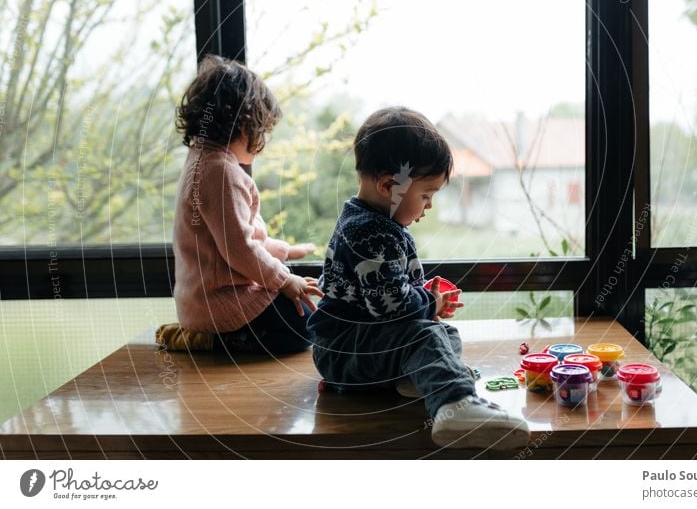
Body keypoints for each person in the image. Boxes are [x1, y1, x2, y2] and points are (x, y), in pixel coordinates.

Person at [308, 106, 529, 450]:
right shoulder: (371, 234)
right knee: (426, 336)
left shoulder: (372, 223)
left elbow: (380, 295)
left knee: (443, 333)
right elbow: (394, 309)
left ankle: (419, 380)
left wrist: (421, 296)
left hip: (361, 345)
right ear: (387, 185)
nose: (428, 206)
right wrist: (430, 301)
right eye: (425, 195)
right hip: (345, 354)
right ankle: (455, 405)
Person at [157, 54, 323, 355]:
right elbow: (240, 249)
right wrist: (284, 279)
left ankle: (204, 332)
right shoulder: (221, 172)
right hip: (222, 306)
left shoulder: (199, 161)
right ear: (246, 124)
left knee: (305, 312)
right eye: (264, 131)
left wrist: (285, 251)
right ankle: (207, 340)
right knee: (305, 328)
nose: (264, 141)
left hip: (201, 301)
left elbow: (234, 238)